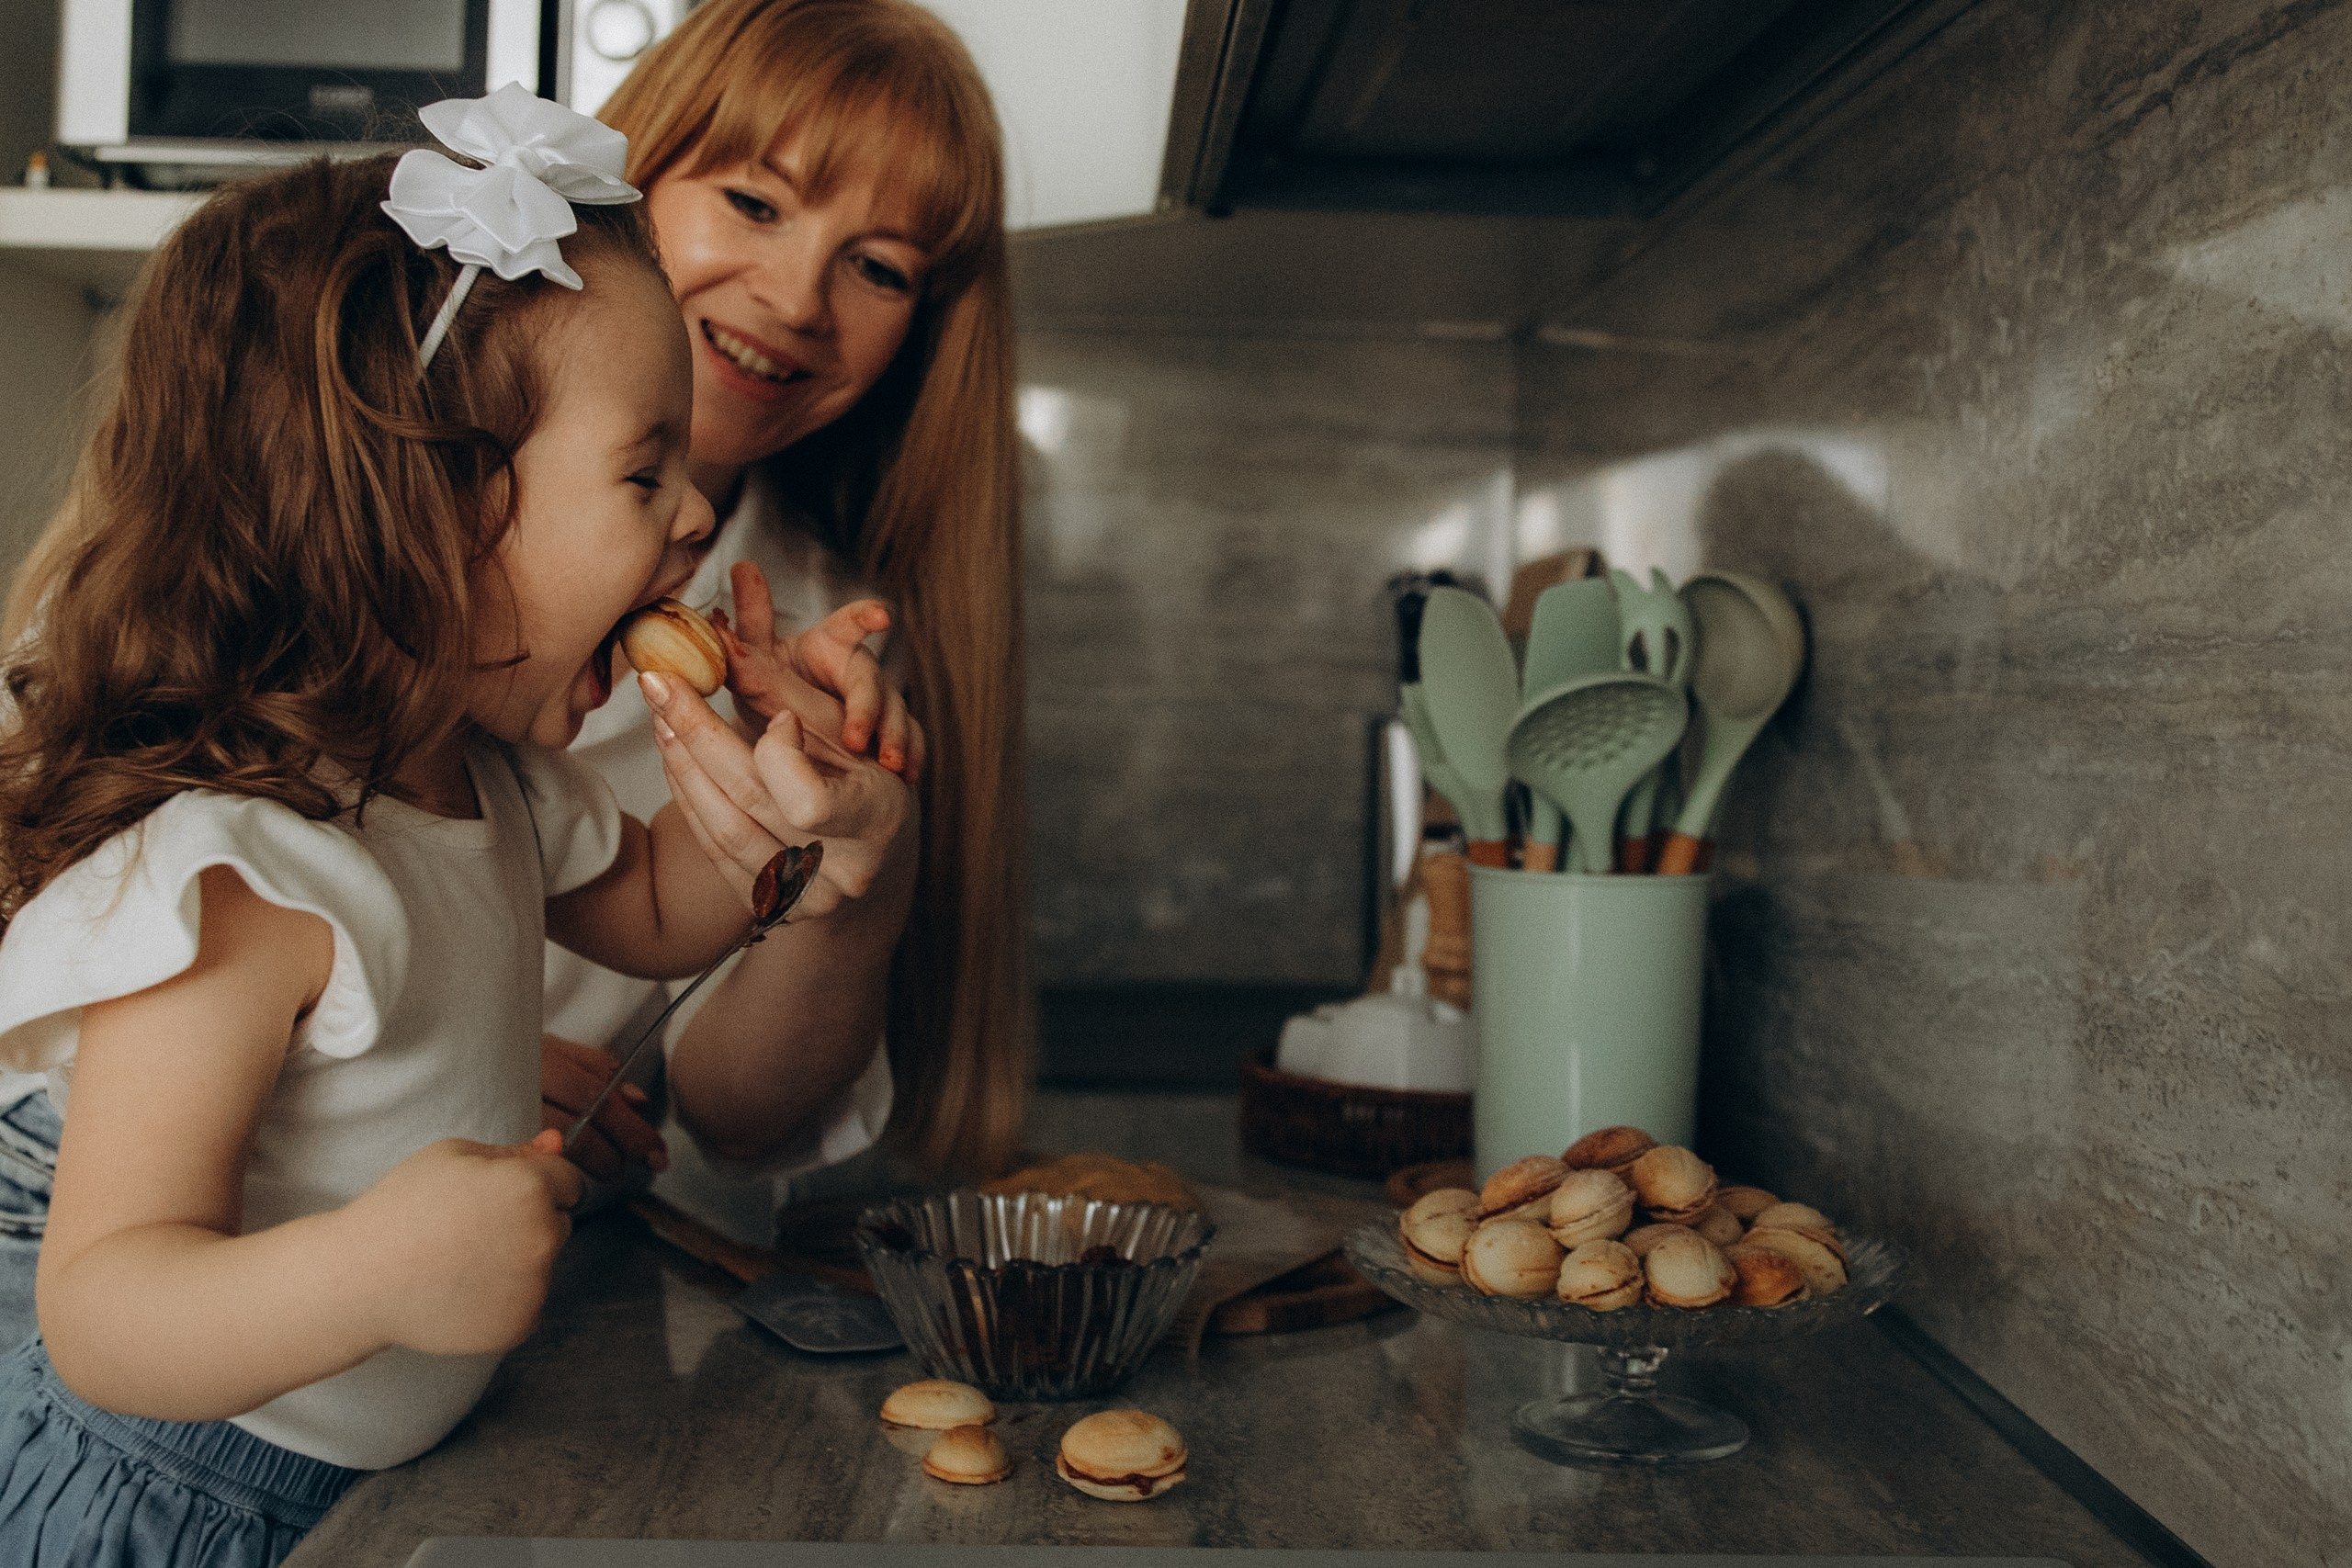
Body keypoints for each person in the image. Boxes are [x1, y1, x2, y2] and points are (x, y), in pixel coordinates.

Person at [0, 89, 901, 1566]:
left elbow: (669, 906)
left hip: (366, 1488)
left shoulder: (478, 781)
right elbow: (104, 1311)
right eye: (641, 473)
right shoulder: (250, 879)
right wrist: (369, 1276)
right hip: (183, 1501)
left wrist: (768, 773)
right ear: (427, 510)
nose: (693, 524)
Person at [542, 0, 1032, 1227]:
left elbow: (737, 1116)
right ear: (626, 184)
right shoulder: (354, 479)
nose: (797, 298)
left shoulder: (825, 632)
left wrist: (860, 877)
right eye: (754, 204)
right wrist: (429, 1080)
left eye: (879, 269)